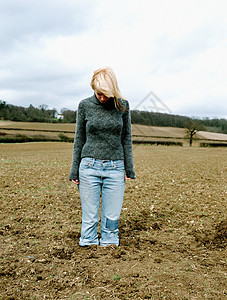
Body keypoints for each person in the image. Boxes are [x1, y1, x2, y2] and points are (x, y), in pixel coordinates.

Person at [69, 67, 136, 247]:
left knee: (111, 217)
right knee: (89, 215)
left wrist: (129, 168)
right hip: (88, 166)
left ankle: (109, 244)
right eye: (99, 93)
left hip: (115, 168)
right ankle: (88, 244)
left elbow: (126, 138)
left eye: (106, 94)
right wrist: (74, 170)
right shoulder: (84, 105)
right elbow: (79, 139)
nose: (102, 98)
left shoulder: (122, 105)